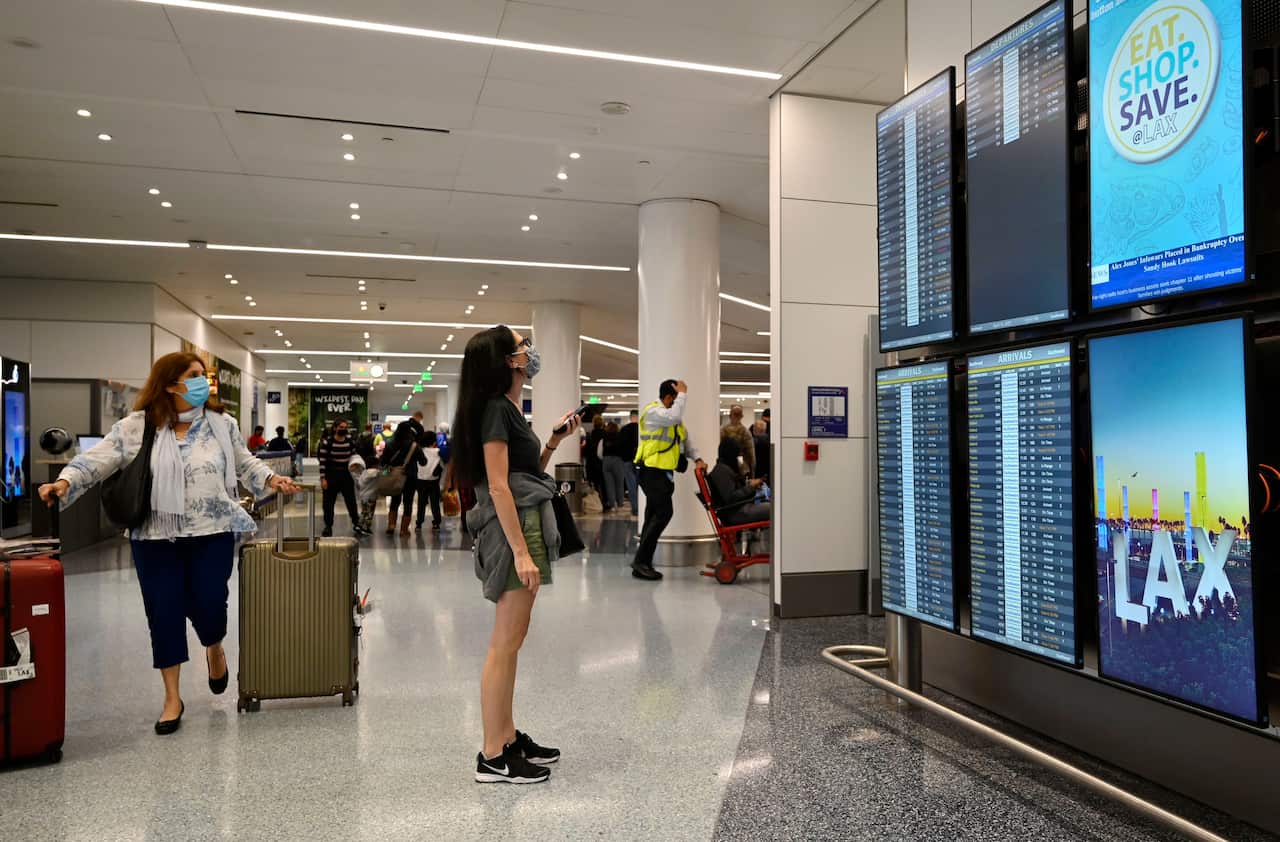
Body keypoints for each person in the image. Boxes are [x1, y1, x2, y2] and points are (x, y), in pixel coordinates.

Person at [37, 352, 298, 735]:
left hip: (212, 532)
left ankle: (214, 646)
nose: (201, 383)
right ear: (169, 383)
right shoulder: (136, 427)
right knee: (164, 612)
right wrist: (64, 482)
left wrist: (272, 481)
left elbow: (245, 463)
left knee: (210, 605)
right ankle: (172, 697)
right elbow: (96, 460)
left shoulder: (221, 425)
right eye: (193, 376)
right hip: (155, 537)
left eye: (203, 376)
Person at [450, 324, 582, 785]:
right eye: (524, 346)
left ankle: (506, 737)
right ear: (508, 360)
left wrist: (552, 442)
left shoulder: (507, 409)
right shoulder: (493, 411)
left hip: (523, 523)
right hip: (513, 532)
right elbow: (500, 486)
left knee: (514, 639)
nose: (530, 351)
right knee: (504, 643)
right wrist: (522, 553)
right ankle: (492, 755)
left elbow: (526, 475)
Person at [632, 379, 705, 581]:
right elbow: (674, 417)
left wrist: (697, 458)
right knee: (664, 513)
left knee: (653, 515)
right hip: (650, 471)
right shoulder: (654, 412)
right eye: (676, 398)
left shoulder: (671, 418)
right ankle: (640, 561)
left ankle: (642, 561)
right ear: (669, 397)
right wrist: (683, 394)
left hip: (663, 473)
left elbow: (685, 438)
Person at [707, 438, 771, 525]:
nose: (739, 458)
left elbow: (733, 492)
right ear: (731, 453)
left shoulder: (724, 468)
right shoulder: (721, 471)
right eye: (738, 455)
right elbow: (731, 498)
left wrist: (750, 485)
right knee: (774, 509)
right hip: (735, 513)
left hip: (737, 509)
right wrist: (750, 487)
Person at [382, 411, 426, 534]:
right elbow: (423, 462)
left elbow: (383, 461)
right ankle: (403, 530)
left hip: (395, 476)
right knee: (408, 502)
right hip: (410, 477)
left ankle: (391, 525)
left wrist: (388, 469)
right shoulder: (414, 445)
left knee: (395, 501)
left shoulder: (390, 443)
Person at [318, 420, 361, 537]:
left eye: (345, 427)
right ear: (335, 428)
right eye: (341, 427)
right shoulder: (327, 442)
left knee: (351, 501)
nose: (344, 429)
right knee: (328, 503)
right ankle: (328, 526)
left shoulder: (350, 442)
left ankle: (356, 523)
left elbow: (354, 456)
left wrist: (356, 466)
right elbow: (322, 461)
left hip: (345, 474)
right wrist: (323, 479)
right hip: (331, 474)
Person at [413, 431, 444, 531]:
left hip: (420, 480)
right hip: (433, 481)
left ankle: (419, 523)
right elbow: (442, 465)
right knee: (435, 503)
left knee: (421, 503)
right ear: (434, 441)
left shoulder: (419, 450)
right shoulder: (438, 452)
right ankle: (436, 523)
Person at [601, 421, 629, 514]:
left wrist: (604, 459)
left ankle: (613, 505)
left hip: (606, 461)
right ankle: (620, 504)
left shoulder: (604, 437)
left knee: (609, 485)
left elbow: (599, 451)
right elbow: (624, 449)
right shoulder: (620, 436)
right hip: (618, 460)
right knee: (619, 483)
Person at [721, 404, 755, 478]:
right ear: (742, 416)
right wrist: (752, 473)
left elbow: (720, 451)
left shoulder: (723, 431)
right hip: (742, 465)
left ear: (730, 416)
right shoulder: (746, 432)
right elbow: (751, 454)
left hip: (726, 466)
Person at [617, 409, 640, 516]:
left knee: (631, 484)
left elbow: (620, 445)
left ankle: (635, 508)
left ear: (630, 417)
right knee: (640, 484)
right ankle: (642, 506)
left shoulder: (624, 430)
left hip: (626, 460)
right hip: (640, 460)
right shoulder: (641, 429)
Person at [351, 453, 380, 535]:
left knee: (364, 512)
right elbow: (383, 473)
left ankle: (359, 525)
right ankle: (365, 527)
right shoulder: (374, 472)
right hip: (371, 497)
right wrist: (389, 469)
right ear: (375, 465)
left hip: (363, 497)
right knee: (369, 513)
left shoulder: (364, 472)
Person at [584, 414, 606, 500]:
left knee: (594, 483)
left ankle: (597, 500)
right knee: (603, 482)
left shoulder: (590, 435)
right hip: (601, 462)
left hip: (591, 462)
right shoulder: (605, 434)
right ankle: (604, 501)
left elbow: (586, 451)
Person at [752, 419, 770, 485]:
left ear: (755, 429)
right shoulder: (770, 441)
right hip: (768, 474)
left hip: (756, 475)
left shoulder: (753, 442)